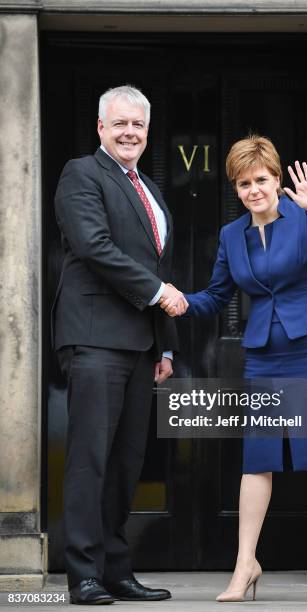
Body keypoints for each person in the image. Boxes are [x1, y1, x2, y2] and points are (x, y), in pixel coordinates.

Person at [160, 135, 307, 602]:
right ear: (236, 189)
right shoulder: (231, 236)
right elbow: (219, 295)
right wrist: (182, 301)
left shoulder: (304, 220)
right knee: (258, 460)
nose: (253, 189)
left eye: (261, 179)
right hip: (266, 353)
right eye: (243, 183)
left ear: (276, 179)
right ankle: (246, 563)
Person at [52, 85, 188, 605]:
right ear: (101, 128)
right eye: (120, 124)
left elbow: (161, 269)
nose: (130, 132)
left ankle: (115, 569)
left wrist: (167, 348)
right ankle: (82, 574)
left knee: (127, 463)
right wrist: (159, 294)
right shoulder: (81, 174)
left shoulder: (150, 189)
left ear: (147, 132)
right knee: (90, 459)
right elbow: (94, 245)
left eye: (138, 125)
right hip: (94, 339)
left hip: (141, 346)